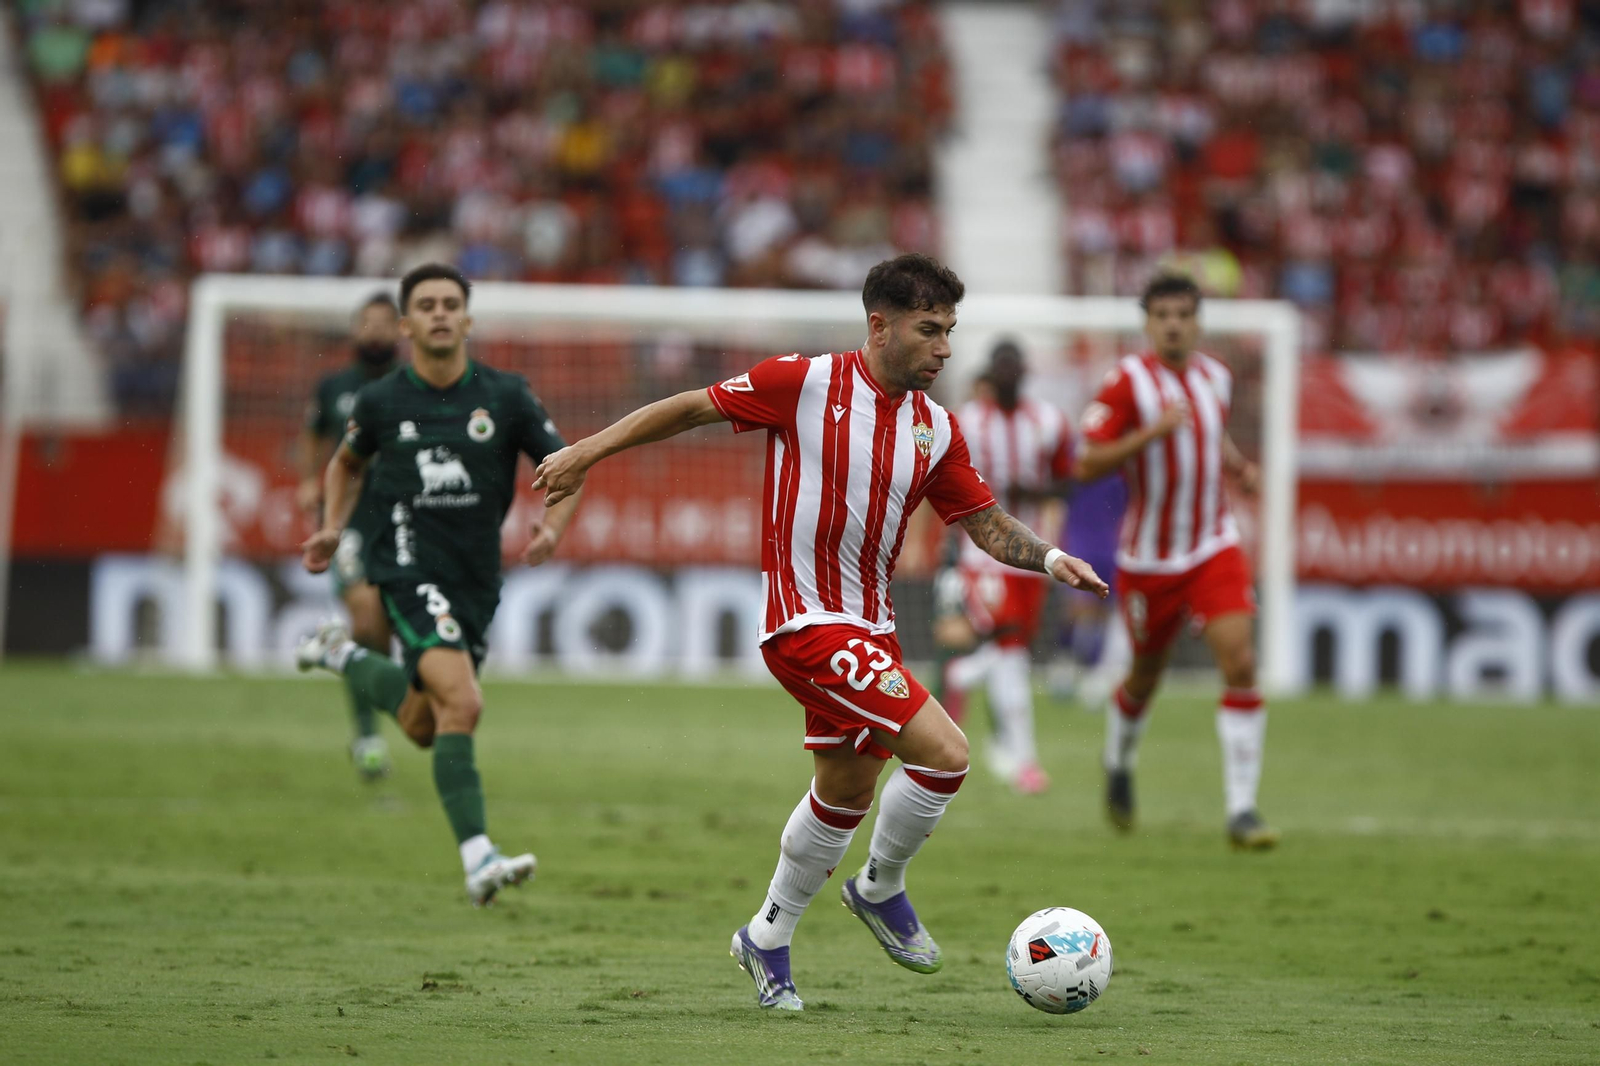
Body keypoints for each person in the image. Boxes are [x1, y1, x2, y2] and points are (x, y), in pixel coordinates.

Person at [533, 254, 1107, 1010]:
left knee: (844, 792)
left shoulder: (937, 428)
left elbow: (984, 523)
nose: (944, 348)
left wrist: (1053, 558)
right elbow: (688, 408)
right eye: (929, 330)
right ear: (880, 324)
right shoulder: (802, 383)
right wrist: (584, 452)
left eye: (950, 333)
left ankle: (766, 938)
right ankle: (880, 886)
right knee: (945, 755)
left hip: (872, 629)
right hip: (804, 623)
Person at [296, 263, 583, 904]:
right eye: (425, 304)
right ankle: (479, 856)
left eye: (450, 303)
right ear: (407, 323)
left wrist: (552, 529)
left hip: (478, 580)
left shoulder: (506, 396)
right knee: (466, 703)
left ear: (468, 319)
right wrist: (333, 527)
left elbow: (568, 466)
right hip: (405, 567)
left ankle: (338, 654)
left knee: (427, 725)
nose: (439, 313)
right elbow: (343, 466)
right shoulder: (380, 402)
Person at [1075, 272, 1277, 849]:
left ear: (1197, 321)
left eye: (1182, 314)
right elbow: (1087, 462)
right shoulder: (1125, 384)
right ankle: (1118, 760)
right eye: (1162, 314)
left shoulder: (1216, 376)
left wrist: (1238, 468)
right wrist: (1149, 434)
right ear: (1147, 322)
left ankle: (1241, 809)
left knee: (1239, 662)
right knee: (1144, 676)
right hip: (1149, 558)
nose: (1173, 324)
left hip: (1213, 543)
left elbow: (1210, 436)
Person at [941, 341, 1074, 794]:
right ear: (990, 374)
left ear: (1024, 372)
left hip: (1031, 555)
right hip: (983, 552)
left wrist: (1031, 493)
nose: (1007, 375)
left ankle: (961, 675)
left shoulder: (1049, 422)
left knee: (1010, 647)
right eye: (1000, 368)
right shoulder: (967, 421)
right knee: (1010, 645)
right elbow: (944, 477)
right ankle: (1024, 761)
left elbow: (1066, 483)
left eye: (1014, 367)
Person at [296, 292, 402, 780]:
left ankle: (350, 663)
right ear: (356, 330)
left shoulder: (417, 385)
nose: (376, 331)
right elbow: (316, 436)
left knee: (383, 633)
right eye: (368, 323)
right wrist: (306, 480)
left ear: (401, 330)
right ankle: (367, 736)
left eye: (386, 323)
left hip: (407, 517)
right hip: (351, 519)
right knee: (365, 615)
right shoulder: (333, 386)